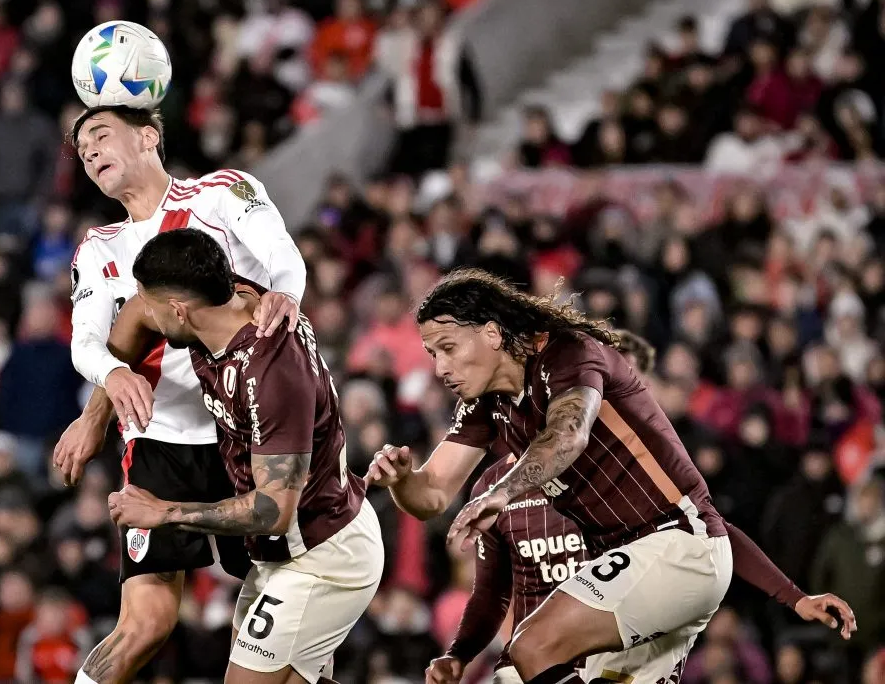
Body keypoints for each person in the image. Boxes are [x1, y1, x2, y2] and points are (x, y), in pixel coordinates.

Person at [365, 270, 854, 684]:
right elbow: (431, 496)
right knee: (523, 671)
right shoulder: (485, 404)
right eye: (432, 354)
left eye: (449, 348)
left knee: (531, 648)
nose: (441, 367)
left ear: (492, 333)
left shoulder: (567, 353)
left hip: (677, 545)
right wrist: (402, 481)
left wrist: (502, 492)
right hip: (646, 564)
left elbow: (570, 433)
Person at [51, 106, 307, 684]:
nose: (88, 151)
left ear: (148, 136)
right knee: (146, 624)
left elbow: (282, 254)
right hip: (158, 441)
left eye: (99, 135)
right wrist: (112, 380)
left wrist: (287, 293)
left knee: (285, 605)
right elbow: (86, 342)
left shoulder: (223, 192)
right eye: (81, 146)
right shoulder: (97, 247)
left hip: (244, 435)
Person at [102, 228, 383, 684]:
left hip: (320, 552)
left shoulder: (271, 372)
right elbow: (136, 317)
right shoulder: (232, 296)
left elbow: (273, 509)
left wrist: (164, 512)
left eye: (149, 302)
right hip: (285, 554)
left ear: (178, 310)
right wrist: (100, 401)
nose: (143, 312)